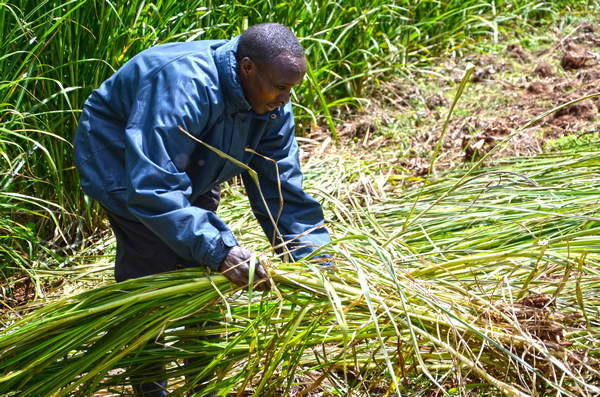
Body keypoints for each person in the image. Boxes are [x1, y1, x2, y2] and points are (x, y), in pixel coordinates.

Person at [73, 23, 331, 395]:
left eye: (292, 89)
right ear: (247, 68)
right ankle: (150, 386)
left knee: (210, 279)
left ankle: (202, 384)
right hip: (125, 165)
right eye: (280, 87)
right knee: (152, 275)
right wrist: (221, 250)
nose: (287, 99)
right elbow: (153, 186)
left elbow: (282, 189)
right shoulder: (184, 85)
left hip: (192, 166)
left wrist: (317, 264)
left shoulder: (273, 105)